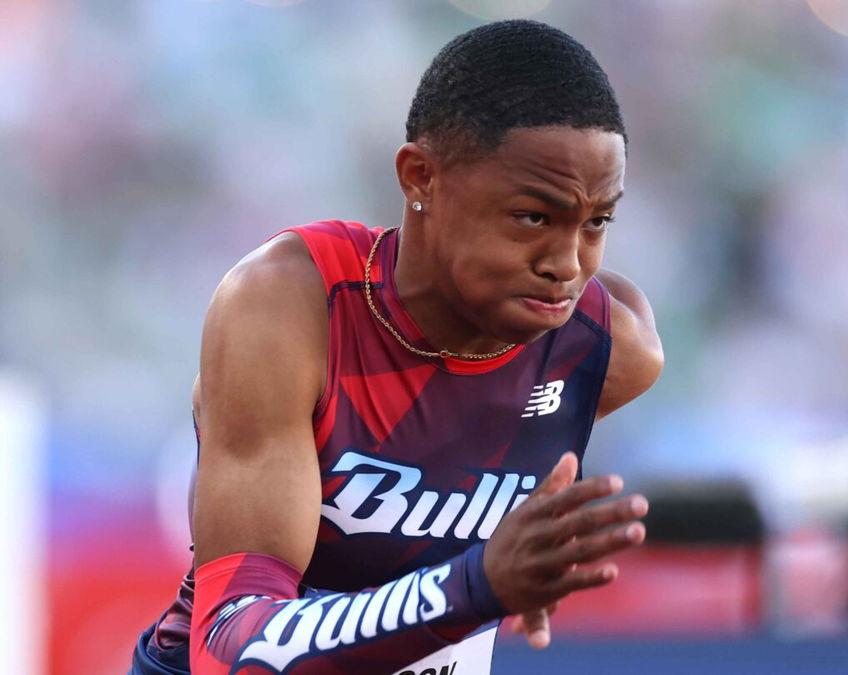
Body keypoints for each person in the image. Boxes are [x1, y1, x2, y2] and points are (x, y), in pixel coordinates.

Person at [130, 19, 663, 674]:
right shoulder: (289, 307)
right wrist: (475, 586)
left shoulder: (607, 351)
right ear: (421, 178)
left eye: (596, 222)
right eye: (533, 217)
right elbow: (232, 646)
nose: (565, 264)